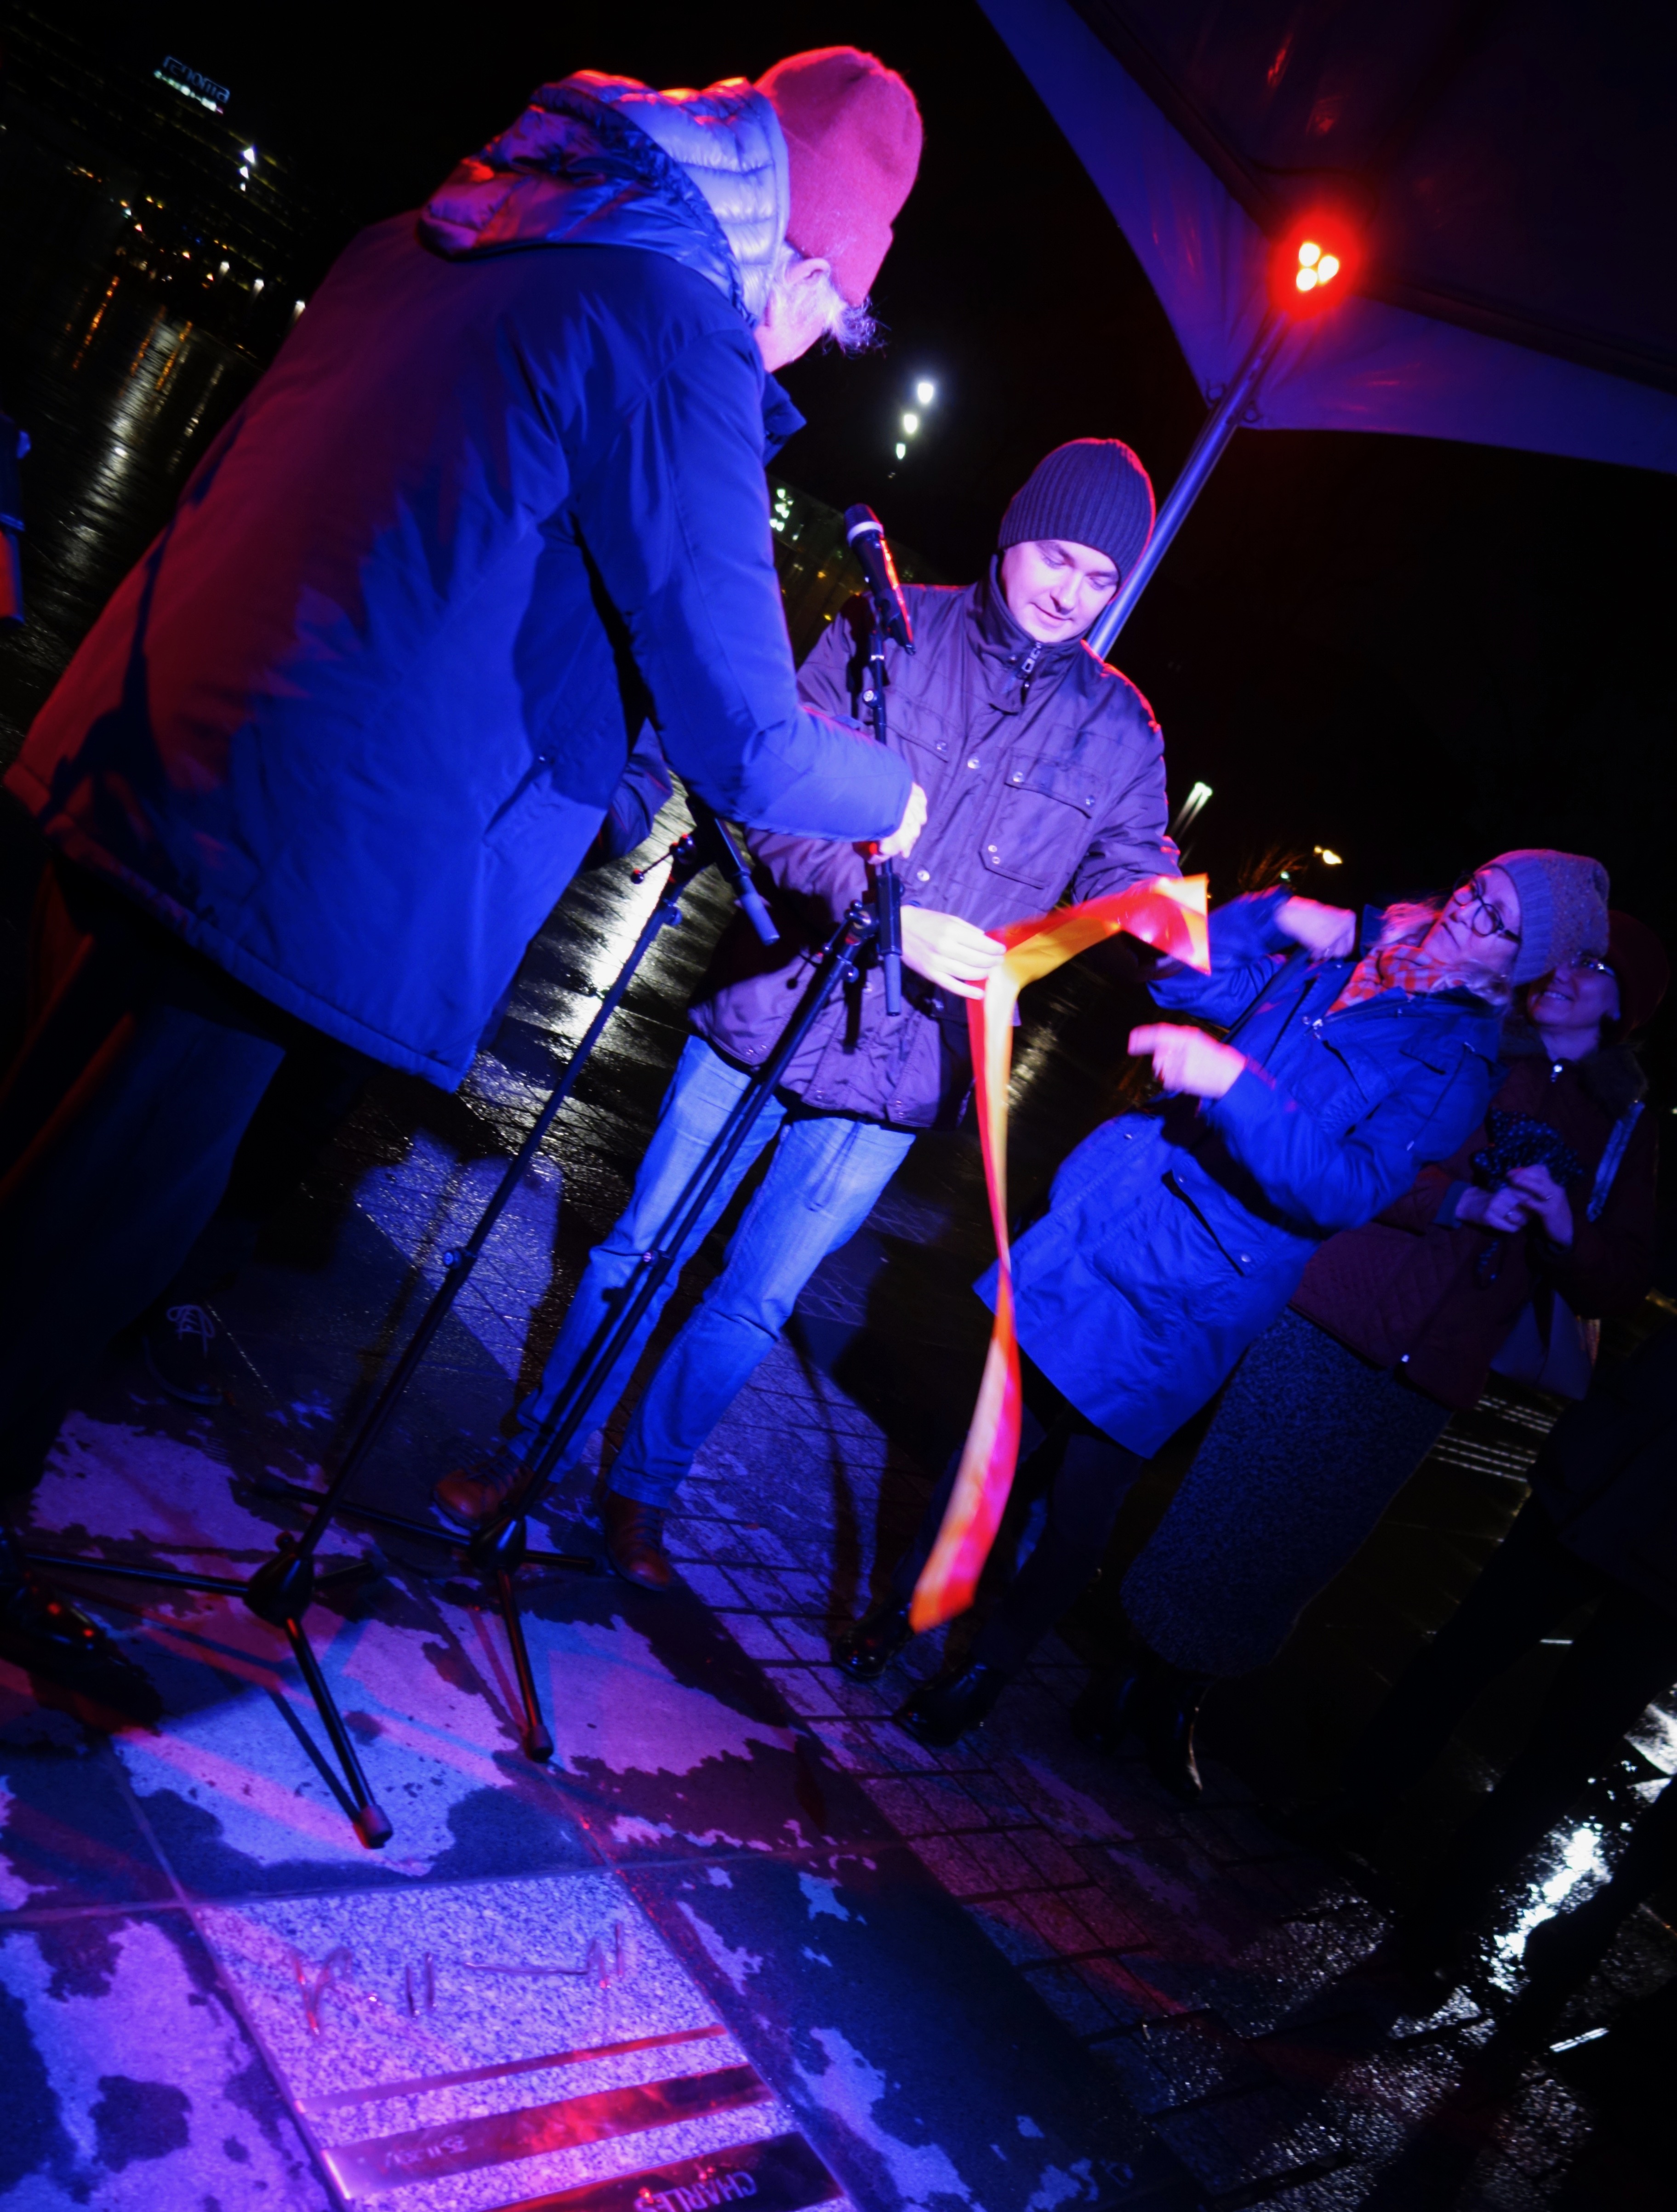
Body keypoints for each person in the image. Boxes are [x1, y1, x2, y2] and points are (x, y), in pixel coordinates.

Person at [0, 50, 928, 1710]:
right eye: (821, 319)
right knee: (90, 1232)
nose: (799, 350)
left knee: (34, 1155)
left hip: (144, 739)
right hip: (292, 840)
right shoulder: (671, 320)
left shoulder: (466, 218)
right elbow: (751, 736)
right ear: (802, 265)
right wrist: (894, 790)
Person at [434, 440, 1179, 1585]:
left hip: (903, 1068)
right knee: (639, 1248)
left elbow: (1136, 896)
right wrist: (878, 916)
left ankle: (640, 1496)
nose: (1071, 593)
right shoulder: (891, 630)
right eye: (1059, 558)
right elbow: (774, 797)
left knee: (757, 1298)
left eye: (1100, 580)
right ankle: (530, 1459)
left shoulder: (1123, 732)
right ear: (1013, 531)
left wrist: (1207, 950)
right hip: (772, 998)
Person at [843, 856, 1601, 1748]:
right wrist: (1276, 915)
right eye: (1474, 889)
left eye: (1498, 922)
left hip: (1204, 1279)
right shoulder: (1351, 945)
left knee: (1086, 1492)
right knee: (1000, 1436)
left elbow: (1347, 1189)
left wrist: (1234, 1085)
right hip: (1125, 1210)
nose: (1466, 914)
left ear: (1519, 967)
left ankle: (987, 1667)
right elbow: (1183, 974)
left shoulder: (1455, 1062)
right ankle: (908, 1605)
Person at [1109, 897, 1661, 1798]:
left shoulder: (1625, 1132)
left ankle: (1188, 1693)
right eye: (1563, 956)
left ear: (1621, 1008)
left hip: (1435, 1373)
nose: (1566, 974)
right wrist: (1461, 1203)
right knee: (1229, 1500)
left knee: (1305, 1544)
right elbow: (1362, 1164)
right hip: (1339, 1311)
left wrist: (1565, 1225)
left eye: (1593, 968)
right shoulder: (1475, 1042)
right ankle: (1130, 1667)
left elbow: (1619, 1283)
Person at [1334, 1310, 1677, 1981]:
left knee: (1567, 1741)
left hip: (1634, 1510)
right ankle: (1365, 1812)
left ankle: (1445, 1909)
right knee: (1475, 1657)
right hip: (1608, 1470)